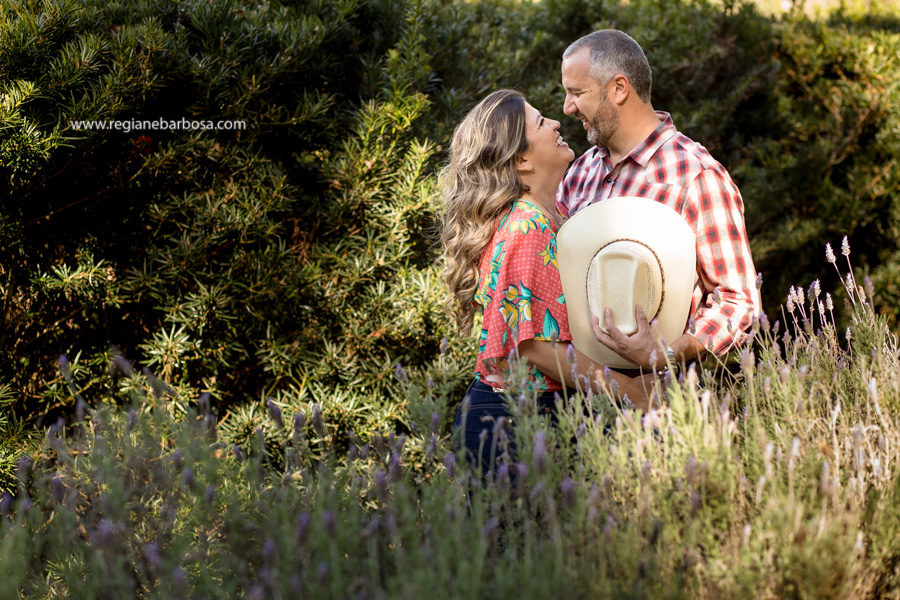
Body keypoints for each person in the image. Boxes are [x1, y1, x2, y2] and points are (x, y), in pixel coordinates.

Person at [439, 89, 652, 475]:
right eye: (540, 122)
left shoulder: (552, 216)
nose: (555, 122)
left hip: (539, 412)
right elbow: (535, 348)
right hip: (512, 423)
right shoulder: (527, 226)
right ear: (522, 160)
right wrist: (631, 392)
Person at [558, 30, 761, 372]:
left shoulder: (696, 175)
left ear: (619, 88)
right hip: (578, 400)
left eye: (577, 93)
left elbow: (739, 303)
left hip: (662, 402)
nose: (567, 107)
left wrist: (666, 354)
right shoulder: (579, 172)